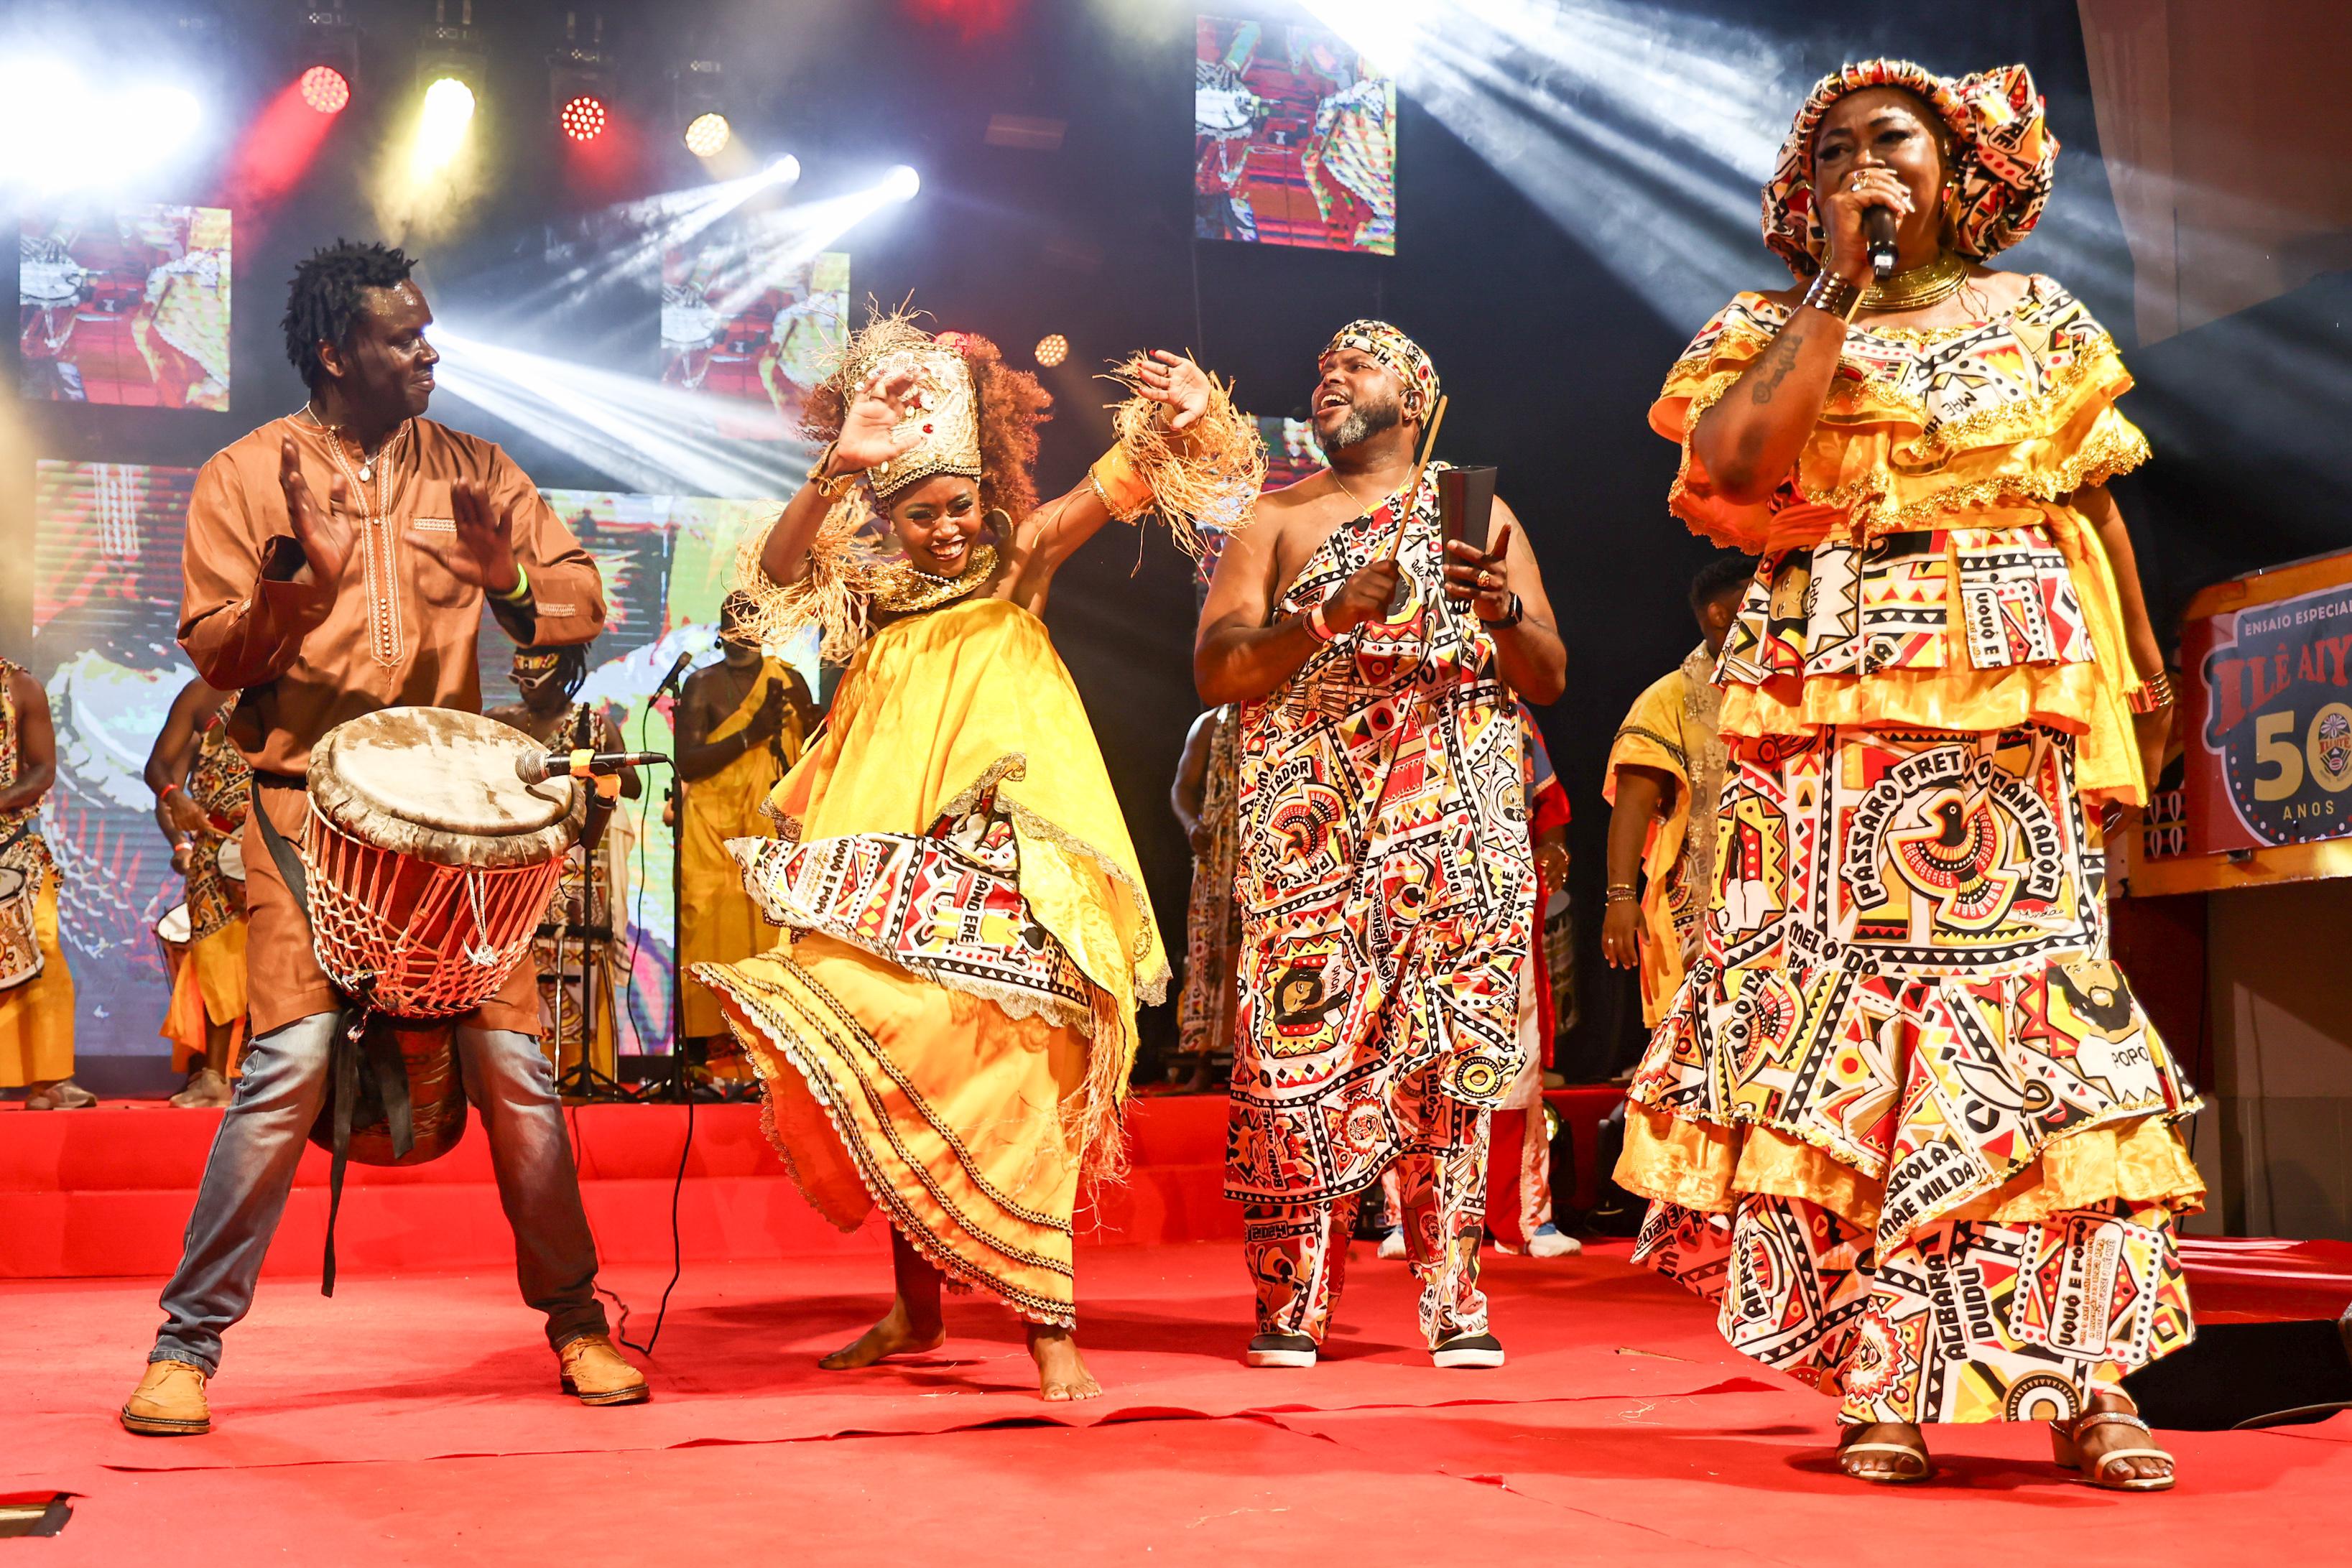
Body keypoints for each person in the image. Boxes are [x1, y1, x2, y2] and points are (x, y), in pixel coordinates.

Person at [1611, 60, 2201, 1490]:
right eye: (1830, 154)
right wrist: (1829, 287)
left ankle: (2090, 1383)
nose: (1861, 164)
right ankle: (1884, 1378)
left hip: (2011, 687)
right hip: (1820, 704)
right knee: (1852, 1030)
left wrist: (2138, 681)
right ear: (1802, 195)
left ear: (1959, 169)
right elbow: (1738, 468)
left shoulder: (2038, 316)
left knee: (2043, 1024)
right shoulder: (1763, 322)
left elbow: (2093, 509)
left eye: (1891, 141)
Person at [120, 240, 646, 1438]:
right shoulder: (244, 474)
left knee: (516, 1069)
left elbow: (579, 598)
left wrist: (515, 584)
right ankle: (184, 1344)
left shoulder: (477, 467)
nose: (429, 351)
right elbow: (214, 651)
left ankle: (576, 1320)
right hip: (301, 804)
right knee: (287, 1065)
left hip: (460, 825)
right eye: (403, 337)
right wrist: (293, 601)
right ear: (333, 352)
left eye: (427, 331)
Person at [695, 312, 1259, 1401]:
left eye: (956, 506)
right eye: (919, 513)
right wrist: (837, 464)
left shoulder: (1022, 552)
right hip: (889, 850)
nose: (946, 530)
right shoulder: (860, 591)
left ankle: (1049, 1326)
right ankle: (916, 1306)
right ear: (887, 512)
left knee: (1021, 1066)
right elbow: (775, 572)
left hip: (1008, 845)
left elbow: (1139, 470)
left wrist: (1186, 413)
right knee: (894, 1053)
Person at [1196, 321, 1566, 1370]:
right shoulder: (1272, 520)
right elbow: (1217, 671)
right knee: (1291, 1065)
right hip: (1311, 834)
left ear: (1415, 397)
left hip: (1458, 835)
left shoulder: (1478, 513)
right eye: (1319, 367)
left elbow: (1546, 674)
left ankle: (1454, 1297)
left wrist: (1500, 612)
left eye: (1353, 365)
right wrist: (1319, 619)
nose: (1327, 378)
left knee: (1448, 1069)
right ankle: (1290, 1303)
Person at [1599, 555, 1753, 1027]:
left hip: (1778, 892)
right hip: (1699, 902)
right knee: (1700, 1035)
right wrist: (1621, 896)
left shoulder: (1785, 690)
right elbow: (1635, 796)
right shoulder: (1668, 697)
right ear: (1719, 615)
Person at [486, 644, 639, 1086]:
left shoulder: (593, 722)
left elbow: (630, 785)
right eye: (522, 682)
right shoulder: (503, 719)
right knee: (516, 952)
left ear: (564, 677)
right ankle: (513, 1068)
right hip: (520, 861)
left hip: (579, 860)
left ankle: (578, 1070)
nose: (529, 693)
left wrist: (591, 759)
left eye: (538, 683)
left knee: (581, 955)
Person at [672, 601, 809, 1085]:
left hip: (767, 833)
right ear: (722, 631)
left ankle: (769, 1065)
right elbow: (687, 762)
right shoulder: (701, 683)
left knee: (769, 941)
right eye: (735, 626)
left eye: (753, 626)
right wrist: (750, 735)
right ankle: (701, 1064)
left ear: (766, 629)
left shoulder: (789, 681)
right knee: (705, 934)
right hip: (711, 830)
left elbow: (810, 754)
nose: (743, 635)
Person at [146, 677, 253, 1108]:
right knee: (214, 957)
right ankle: (212, 1076)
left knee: (287, 962)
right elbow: (159, 772)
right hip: (214, 850)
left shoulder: (297, 688)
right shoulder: (201, 695)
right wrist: (177, 809)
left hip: (284, 847)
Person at [0, 662, 88, 1110]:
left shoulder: (18, 686)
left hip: (11, 844)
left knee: (44, 950)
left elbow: (42, 770)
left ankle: (51, 1081)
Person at [1170, 705, 1242, 1090]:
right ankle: (1201, 1061)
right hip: (1216, 851)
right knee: (1207, 953)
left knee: (1250, 955)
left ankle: (1249, 1063)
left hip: (1261, 847)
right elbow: (1182, 787)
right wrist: (1191, 823)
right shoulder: (1210, 723)